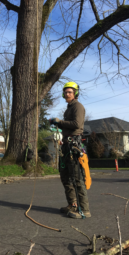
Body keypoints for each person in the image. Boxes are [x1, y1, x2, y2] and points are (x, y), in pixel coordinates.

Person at [50, 82, 91, 219]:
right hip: (67, 145)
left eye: (70, 92)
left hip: (74, 146)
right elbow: (68, 127)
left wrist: (59, 122)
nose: (67, 94)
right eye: (65, 92)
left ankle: (84, 210)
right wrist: (59, 130)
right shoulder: (69, 108)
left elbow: (77, 124)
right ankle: (72, 204)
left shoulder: (78, 107)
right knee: (65, 177)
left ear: (75, 93)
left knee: (76, 178)